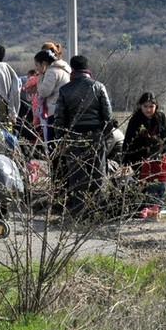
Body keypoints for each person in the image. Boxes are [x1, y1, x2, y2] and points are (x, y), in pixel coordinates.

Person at [55, 54, 113, 217]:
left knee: (76, 175)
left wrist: (61, 139)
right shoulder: (99, 86)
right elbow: (108, 116)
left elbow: (60, 118)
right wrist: (105, 137)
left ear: (72, 69)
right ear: (88, 69)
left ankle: (79, 213)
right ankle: (98, 212)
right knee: (97, 173)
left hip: (74, 137)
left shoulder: (65, 90)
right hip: (96, 135)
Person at [34, 47, 71, 142]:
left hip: (55, 110)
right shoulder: (63, 69)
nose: (36, 68)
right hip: (65, 110)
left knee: (52, 142)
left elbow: (43, 92)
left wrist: (40, 78)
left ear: (44, 64)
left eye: (37, 65)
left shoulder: (51, 72)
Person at [123, 92, 166, 166]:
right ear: (140, 105)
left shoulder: (161, 117)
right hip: (138, 157)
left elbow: (165, 136)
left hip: (157, 156)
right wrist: (125, 162)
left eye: (151, 107)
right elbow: (128, 140)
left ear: (156, 106)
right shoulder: (135, 119)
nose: (148, 110)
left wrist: (161, 152)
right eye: (145, 106)